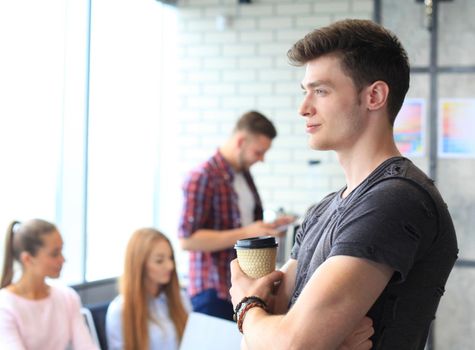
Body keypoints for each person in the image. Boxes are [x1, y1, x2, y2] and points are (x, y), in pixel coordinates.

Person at [229, 19, 458, 350]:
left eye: (320, 91)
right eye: (305, 92)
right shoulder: (322, 210)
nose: (303, 108)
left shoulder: (395, 200)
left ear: (374, 96)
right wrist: (267, 325)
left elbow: (290, 343)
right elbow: (260, 341)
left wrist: (244, 305)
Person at [178, 110, 294, 321]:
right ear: (241, 141)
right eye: (258, 152)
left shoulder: (243, 176)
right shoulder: (202, 177)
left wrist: (268, 228)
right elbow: (187, 240)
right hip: (213, 291)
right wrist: (247, 232)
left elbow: (244, 226)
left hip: (242, 289)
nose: (261, 159)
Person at [0, 219, 98, 349]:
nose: (63, 259)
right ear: (27, 259)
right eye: (54, 254)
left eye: (61, 251)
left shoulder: (67, 297)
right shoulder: (5, 305)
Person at [106, 228, 189, 350]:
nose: (170, 266)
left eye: (170, 258)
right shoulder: (119, 310)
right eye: (159, 261)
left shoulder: (180, 298)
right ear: (139, 265)